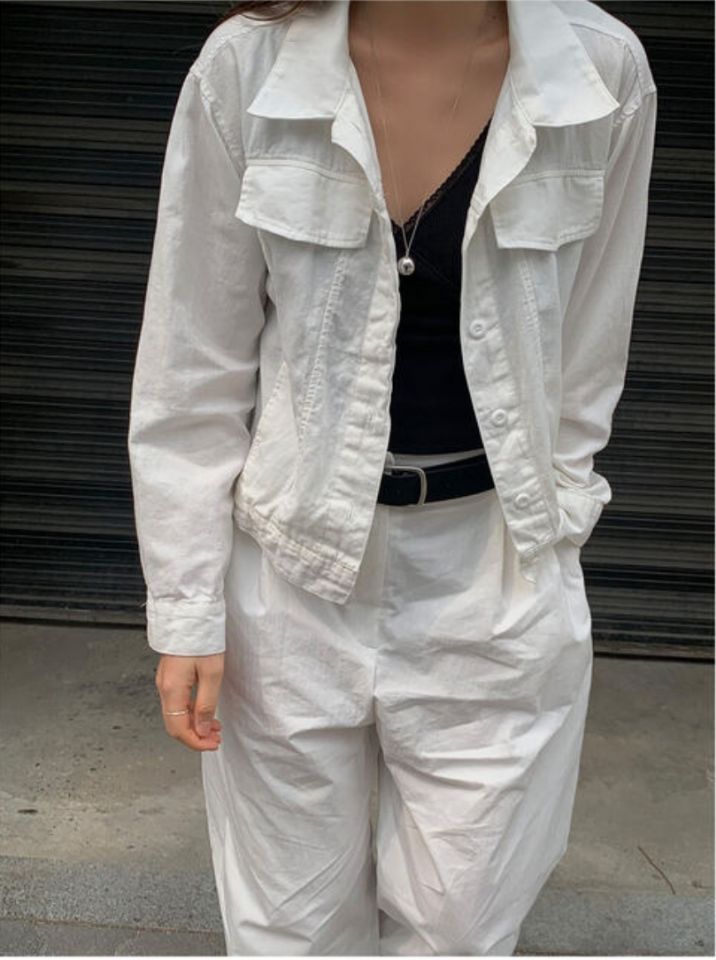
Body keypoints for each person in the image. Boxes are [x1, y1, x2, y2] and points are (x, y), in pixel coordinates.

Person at [127, 0, 657, 954]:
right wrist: (188, 606)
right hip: (290, 572)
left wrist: (558, 531)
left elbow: (588, 353)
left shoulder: (599, 74)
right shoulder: (250, 68)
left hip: (494, 571)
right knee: (289, 929)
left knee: (463, 927)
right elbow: (192, 364)